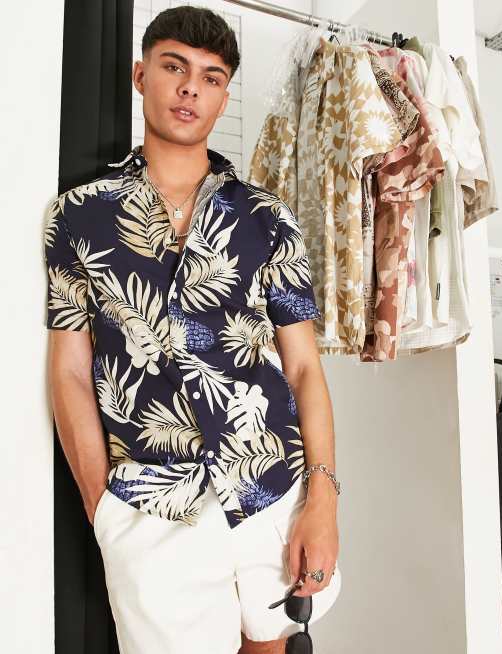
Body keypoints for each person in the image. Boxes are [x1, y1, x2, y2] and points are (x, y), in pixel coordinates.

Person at [43, 6, 341, 654]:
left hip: (270, 488)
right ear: (140, 75)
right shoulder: (78, 217)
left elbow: (302, 368)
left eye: (210, 78)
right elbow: (68, 369)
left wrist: (323, 498)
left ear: (223, 96)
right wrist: (102, 507)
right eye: (173, 67)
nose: (189, 89)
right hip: (150, 508)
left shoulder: (267, 218)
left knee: (275, 644)